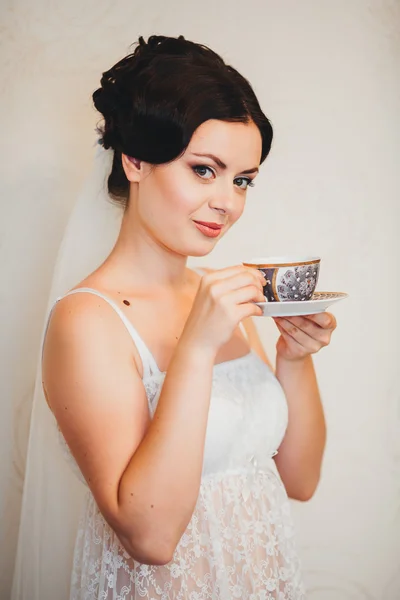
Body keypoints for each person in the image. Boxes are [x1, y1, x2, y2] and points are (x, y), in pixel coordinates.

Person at [12, 35, 336, 600]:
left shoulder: (217, 296)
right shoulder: (88, 321)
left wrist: (294, 356)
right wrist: (196, 349)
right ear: (135, 160)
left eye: (242, 180)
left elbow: (300, 481)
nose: (228, 203)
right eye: (204, 171)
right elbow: (151, 537)